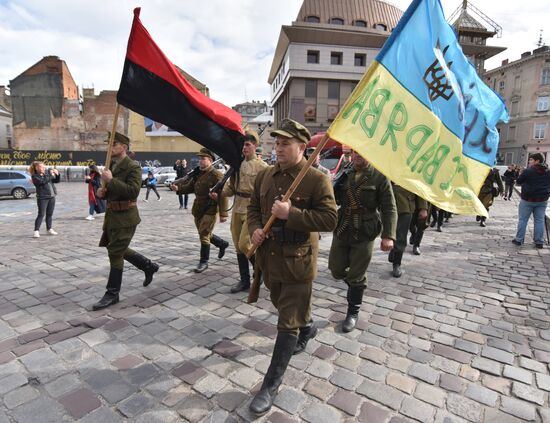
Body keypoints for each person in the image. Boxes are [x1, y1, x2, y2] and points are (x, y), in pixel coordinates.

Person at [247, 119, 337, 415]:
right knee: (286, 307)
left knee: (286, 323)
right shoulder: (265, 176)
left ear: (302, 146)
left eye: (286, 143)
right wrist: (256, 229)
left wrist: (291, 213)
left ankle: (269, 386)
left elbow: (329, 220)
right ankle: (308, 326)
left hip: (298, 262)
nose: (279, 148)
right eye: (277, 142)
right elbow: (253, 210)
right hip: (270, 262)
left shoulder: (316, 179)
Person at [329, 151, 396, 333]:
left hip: (365, 231)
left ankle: (352, 312)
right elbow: (333, 198)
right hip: (343, 227)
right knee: (335, 269)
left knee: (356, 275)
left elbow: (389, 207)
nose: (359, 156)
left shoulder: (379, 176)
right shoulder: (345, 172)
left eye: (363, 153)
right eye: (355, 152)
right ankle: (356, 285)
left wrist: (388, 235)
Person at [93, 132, 159, 310]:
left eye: (113, 144)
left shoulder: (133, 167)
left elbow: (133, 191)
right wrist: (101, 192)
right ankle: (148, 266)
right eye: (109, 144)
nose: (110, 147)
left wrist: (111, 180)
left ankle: (112, 293)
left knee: (115, 252)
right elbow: (109, 190)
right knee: (116, 247)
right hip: (113, 216)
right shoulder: (111, 164)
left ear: (124, 147)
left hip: (126, 216)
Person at [211, 130, 267, 293]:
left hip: (252, 209)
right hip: (238, 208)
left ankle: (260, 269)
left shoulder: (262, 167)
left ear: (255, 146)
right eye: (243, 144)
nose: (245, 147)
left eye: (248, 145)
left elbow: (265, 191)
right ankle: (244, 281)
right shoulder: (237, 165)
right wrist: (219, 193)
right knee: (237, 246)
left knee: (245, 244)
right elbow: (231, 188)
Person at [171, 148, 229, 273]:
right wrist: (179, 189)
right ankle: (221, 244)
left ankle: (204, 262)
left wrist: (223, 214)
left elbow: (223, 194)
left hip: (211, 208)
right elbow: (190, 187)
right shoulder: (198, 173)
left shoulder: (216, 175)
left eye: (203, 159)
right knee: (204, 233)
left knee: (203, 234)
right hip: (198, 208)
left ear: (210, 160)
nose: (200, 161)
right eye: (199, 159)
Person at [512, 153, 550, 249]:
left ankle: (519, 240)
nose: (529, 162)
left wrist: (521, 175)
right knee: (539, 220)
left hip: (528, 200)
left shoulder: (528, 171)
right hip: (542, 199)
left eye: (531, 160)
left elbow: (518, 182)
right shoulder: (548, 171)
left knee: (523, 220)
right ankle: (539, 242)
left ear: (537, 161)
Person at [389, 185, 427, 277]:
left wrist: (423, 208)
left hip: (405, 204)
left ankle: (397, 264)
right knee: (389, 232)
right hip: (388, 203)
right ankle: (393, 250)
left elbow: (419, 184)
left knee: (401, 236)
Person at [29, 161, 60, 238]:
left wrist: (57, 174)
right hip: (42, 198)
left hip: (52, 197)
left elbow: (56, 181)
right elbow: (42, 182)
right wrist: (50, 175)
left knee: (49, 214)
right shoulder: (35, 176)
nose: (43, 168)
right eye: (41, 167)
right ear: (36, 168)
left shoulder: (47, 174)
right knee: (41, 214)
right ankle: (36, 231)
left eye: (44, 166)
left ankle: (49, 228)